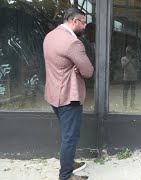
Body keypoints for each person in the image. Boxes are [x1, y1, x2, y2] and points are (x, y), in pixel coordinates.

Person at [43, 8, 94, 180]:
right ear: (75, 21)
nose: (85, 26)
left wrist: (74, 67)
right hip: (68, 97)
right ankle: (66, 176)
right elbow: (88, 71)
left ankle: (69, 162)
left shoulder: (50, 36)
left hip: (53, 94)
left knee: (67, 133)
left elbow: (57, 64)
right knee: (70, 137)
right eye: (84, 22)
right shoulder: (73, 43)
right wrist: (78, 68)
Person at [121, 46, 138, 110]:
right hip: (126, 79)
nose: (129, 53)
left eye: (130, 51)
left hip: (133, 78)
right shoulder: (123, 58)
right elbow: (123, 66)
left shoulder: (134, 59)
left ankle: (132, 105)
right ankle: (125, 105)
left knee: (133, 93)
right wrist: (129, 60)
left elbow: (137, 67)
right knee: (125, 93)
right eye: (128, 51)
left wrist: (133, 61)